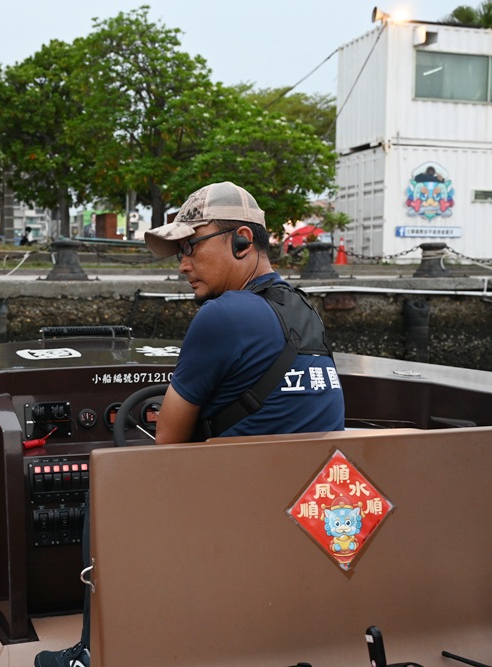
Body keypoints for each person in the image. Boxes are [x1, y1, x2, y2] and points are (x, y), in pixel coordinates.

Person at [33, 181, 345, 667]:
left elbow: (168, 444)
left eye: (191, 247)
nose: (182, 265)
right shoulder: (304, 310)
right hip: (311, 511)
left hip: (237, 515)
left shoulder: (222, 315)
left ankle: (92, 654)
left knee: (105, 491)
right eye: (179, 252)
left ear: (242, 240)